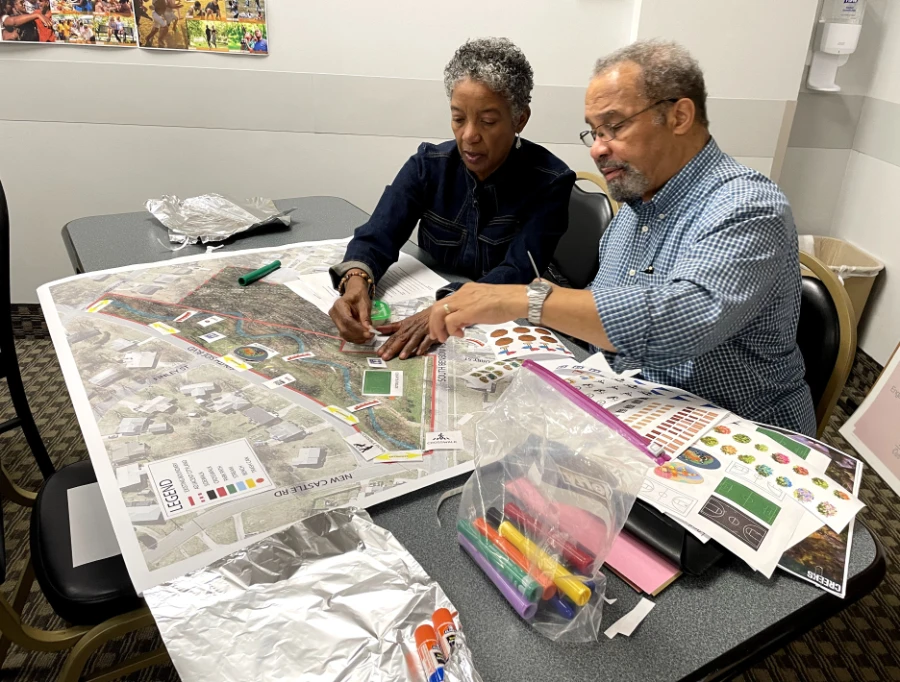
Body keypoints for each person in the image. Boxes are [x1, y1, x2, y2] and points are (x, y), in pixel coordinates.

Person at [429, 39, 816, 435]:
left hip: (738, 436)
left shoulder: (749, 206)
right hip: (642, 413)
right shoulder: (633, 210)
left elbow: (681, 321)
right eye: (594, 132)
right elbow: (603, 324)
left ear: (679, 116)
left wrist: (524, 298)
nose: (597, 149)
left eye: (613, 127)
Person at [329, 38, 575, 361]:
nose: (469, 135)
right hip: (440, 310)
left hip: (501, 329)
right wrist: (356, 281)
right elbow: (378, 234)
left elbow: (516, 272)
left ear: (519, 120)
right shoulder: (428, 166)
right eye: (458, 118)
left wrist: (447, 307)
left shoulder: (550, 183)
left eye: (487, 121)